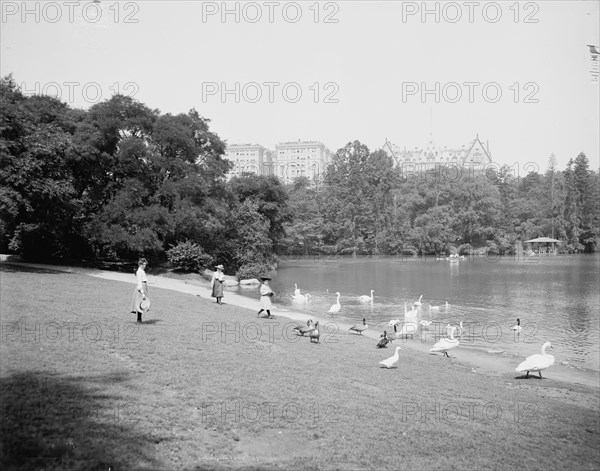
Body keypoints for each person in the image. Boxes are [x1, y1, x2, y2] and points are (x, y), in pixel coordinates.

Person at [130, 258, 148, 323]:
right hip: (141, 288)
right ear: (140, 264)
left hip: (144, 286)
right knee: (140, 303)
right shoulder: (139, 271)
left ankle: (140, 319)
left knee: (142, 303)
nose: (144, 266)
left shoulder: (142, 271)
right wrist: (142, 292)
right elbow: (139, 283)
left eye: (145, 265)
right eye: (143, 264)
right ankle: (139, 319)